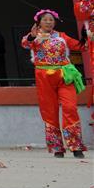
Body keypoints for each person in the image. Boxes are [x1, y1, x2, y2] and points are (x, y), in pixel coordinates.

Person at [21, 10, 86, 158]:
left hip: (64, 75)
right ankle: (57, 147)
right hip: (44, 77)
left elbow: (81, 46)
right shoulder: (33, 37)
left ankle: (75, 146)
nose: (49, 22)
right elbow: (25, 43)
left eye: (51, 20)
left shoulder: (62, 36)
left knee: (70, 107)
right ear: (39, 23)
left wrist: (88, 36)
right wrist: (32, 36)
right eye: (45, 20)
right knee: (49, 111)